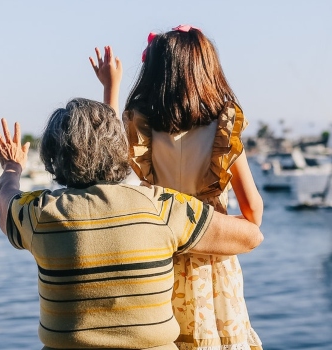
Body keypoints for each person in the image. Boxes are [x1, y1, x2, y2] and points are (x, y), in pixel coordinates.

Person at [0, 98, 264, 350]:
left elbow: (3, 198)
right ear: (120, 150)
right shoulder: (162, 207)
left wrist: (12, 167)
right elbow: (251, 237)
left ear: (52, 157)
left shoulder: (39, 214)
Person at [89, 25, 265, 350]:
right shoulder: (224, 128)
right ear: (207, 68)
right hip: (214, 252)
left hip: (157, 253)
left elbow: (106, 149)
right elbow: (253, 210)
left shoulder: (140, 125)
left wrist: (110, 89)